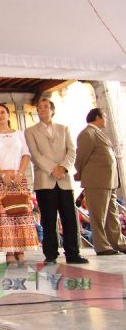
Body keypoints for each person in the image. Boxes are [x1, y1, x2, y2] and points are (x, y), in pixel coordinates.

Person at [24, 98, 88, 264]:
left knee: (69, 219)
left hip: (64, 180)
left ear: (52, 110)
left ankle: (73, 253)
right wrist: (54, 169)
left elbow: (72, 151)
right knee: (48, 218)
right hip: (45, 180)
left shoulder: (63, 128)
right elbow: (35, 155)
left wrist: (63, 168)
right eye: (39, 107)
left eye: (46, 107)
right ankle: (51, 255)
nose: (43, 109)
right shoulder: (30, 131)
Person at [0, 103, 39, 264]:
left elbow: (26, 154)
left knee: (20, 213)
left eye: (2, 112)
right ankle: (8, 252)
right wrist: (2, 175)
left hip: (18, 178)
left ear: (8, 115)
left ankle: (20, 250)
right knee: (4, 216)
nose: (0, 115)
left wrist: (20, 174)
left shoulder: (19, 134)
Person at [74, 108, 126, 255]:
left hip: (109, 181)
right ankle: (102, 246)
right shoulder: (87, 133)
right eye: (105, 117)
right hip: (96, 181)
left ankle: (119, 242)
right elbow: (81, 157)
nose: (106, 120)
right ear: (98, 117)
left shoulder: (99, 133)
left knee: (112, 215)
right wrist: (79, 173)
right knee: (98, 215)